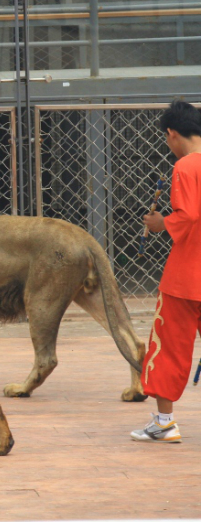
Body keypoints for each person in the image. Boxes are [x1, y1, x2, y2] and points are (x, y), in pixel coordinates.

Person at [130, 100, 200, 443]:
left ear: (172, 134)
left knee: (168, 347)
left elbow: (187, 215)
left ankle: (164, 421)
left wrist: (160, 223)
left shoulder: (186, 167)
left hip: (187, 276)